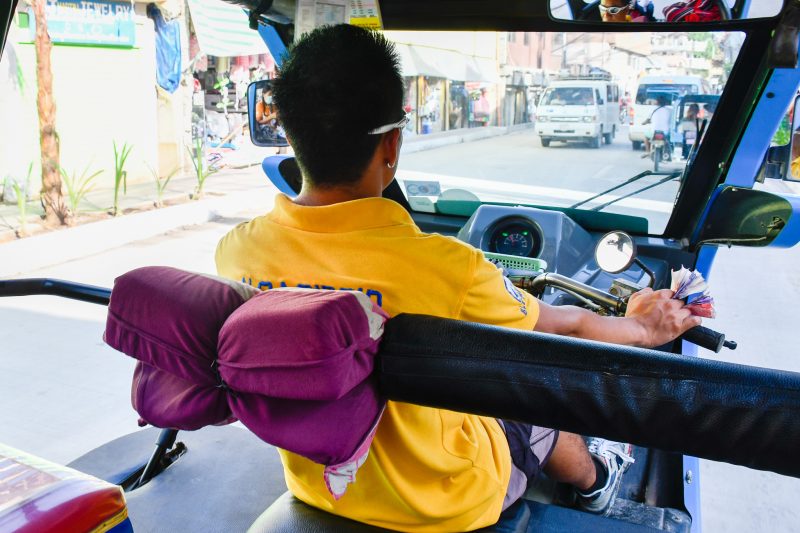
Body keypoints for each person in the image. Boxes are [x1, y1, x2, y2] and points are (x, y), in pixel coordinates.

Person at [215, 24, 701, 532]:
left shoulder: (237, 251)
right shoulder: (450, 268)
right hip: (450, 503)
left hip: (321, 489)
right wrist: (645, 328)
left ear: (288, 136)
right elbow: (567, 328)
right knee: (532, 382)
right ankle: (596, 484)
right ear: (392, 146)